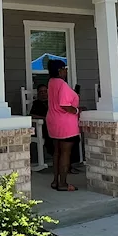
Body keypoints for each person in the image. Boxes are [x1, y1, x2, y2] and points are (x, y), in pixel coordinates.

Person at [44, 57, 80, 191]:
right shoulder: (62, 84)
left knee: (57, 152)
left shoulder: (51, 82)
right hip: (65, 123)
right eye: (65, 69)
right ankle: (63, 184)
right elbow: (64, 104)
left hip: (53, 121)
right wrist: (76, 110)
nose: (66, 71)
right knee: (65, 153)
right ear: (60, 70)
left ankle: (55, 181)